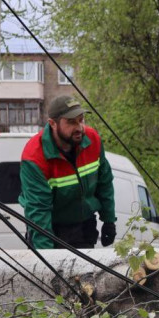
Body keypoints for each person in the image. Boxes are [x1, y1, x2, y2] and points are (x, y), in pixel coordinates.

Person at [19, 95, 116, 249]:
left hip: (84, 227)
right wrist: (45, 259)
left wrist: (109, 220)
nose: (79, 127)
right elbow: (38, 211)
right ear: (52, 124)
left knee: (85, 273)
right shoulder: (35, 157)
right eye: (71, 122)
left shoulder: (92, 140)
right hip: (50, 228)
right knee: (51, 270)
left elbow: (105, 182)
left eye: (81, 119)